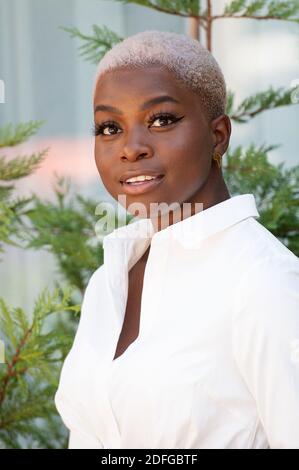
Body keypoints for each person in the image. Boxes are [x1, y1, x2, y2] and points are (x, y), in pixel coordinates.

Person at [55, 30, 299, 449]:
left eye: (161, 120)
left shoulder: (263, 282)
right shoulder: (108, 281)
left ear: (218, 135)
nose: (131, 148)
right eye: (109, 127)